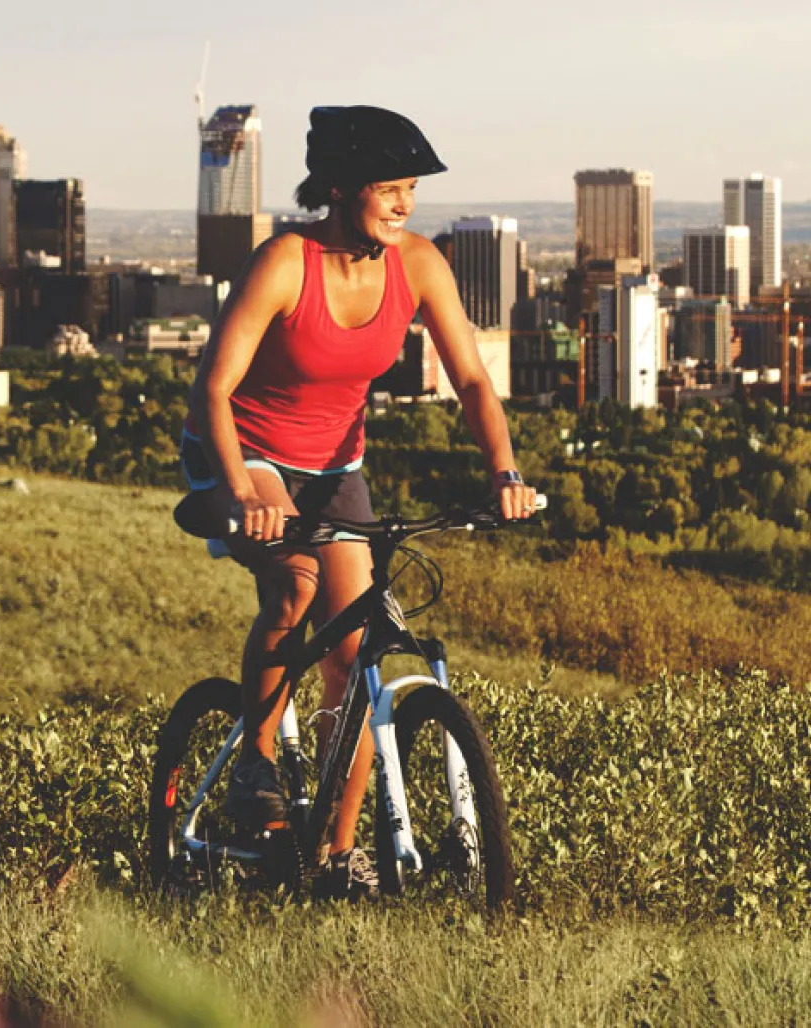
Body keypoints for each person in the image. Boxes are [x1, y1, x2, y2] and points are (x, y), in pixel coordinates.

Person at [182, 106, 540, 896]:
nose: (405, 203)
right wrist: (243, 489)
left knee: (357, 650)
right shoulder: (284, 261)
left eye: (411, 188)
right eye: (390, 187)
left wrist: (504, 474)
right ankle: (256, 763)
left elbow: (474, 379)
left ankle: (335, 855)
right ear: (342, 189)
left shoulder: (419, 266)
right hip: (248, 451)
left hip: (336, 463)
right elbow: (213, 386)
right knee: (296, 584)